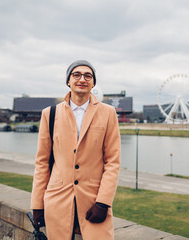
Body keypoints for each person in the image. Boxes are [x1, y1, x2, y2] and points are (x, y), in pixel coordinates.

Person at [30, 60, 121, 240]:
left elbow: (113, 162)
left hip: (93, 199)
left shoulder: (108, 113)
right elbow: (42, 162)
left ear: (93, 83)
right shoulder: (50, 114)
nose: (82, 79)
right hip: (57, 199)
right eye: (76, 75)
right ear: (68, 81)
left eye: (88, 76)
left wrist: (103, 202)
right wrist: (37, 204)